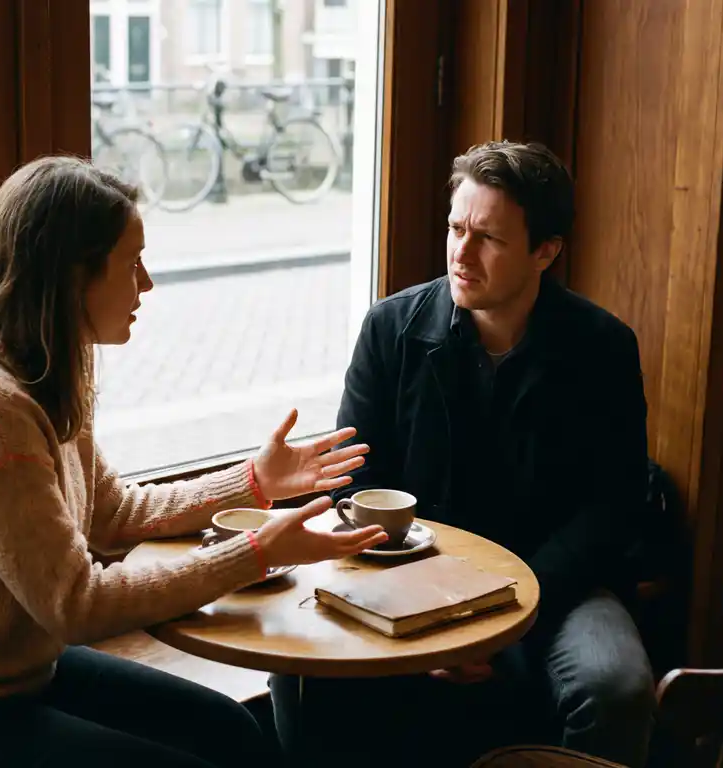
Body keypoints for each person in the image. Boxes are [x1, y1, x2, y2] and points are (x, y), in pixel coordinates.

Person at [0, 155, 388, 768]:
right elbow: (78, 604)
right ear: (73, 278)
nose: (146, 283)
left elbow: (109, 512)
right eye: (131, 263)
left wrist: (253, 482)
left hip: (8, 675)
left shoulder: (45, 364)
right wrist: (253, 554)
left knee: (230, 732)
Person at [269, 141, 655, 768]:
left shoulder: (602, 347)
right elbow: (356, 483)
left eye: (489, 239)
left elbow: (610, 510)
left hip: (553, 582)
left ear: (546, 251)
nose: (461, 253)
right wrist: (435, 609)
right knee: (298, 668)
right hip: (408, 570)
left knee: (615, 686)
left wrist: (502, 615)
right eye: (455, 228)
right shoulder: (390, 329)